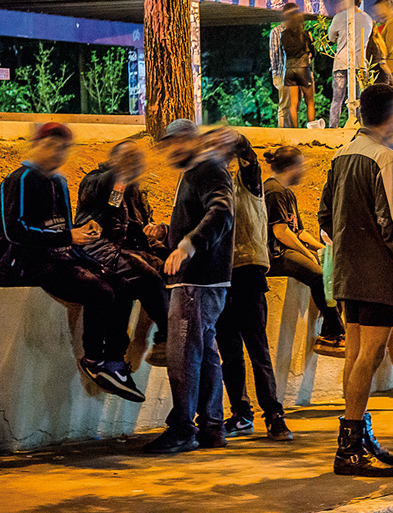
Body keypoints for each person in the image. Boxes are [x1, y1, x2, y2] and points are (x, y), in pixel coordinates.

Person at [0, 123, 144, 401]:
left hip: (80, 248)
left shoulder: (64, 181)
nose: (59, 153)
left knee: (127, 284)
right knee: (107, 288)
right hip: (33, 260)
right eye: (126, 157)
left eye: (63, 147)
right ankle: (101, 358)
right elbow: (16, 230)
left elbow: (109, 217)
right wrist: (79, 232)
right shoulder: (102, 179)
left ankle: (114, 360)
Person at [319, 84, 393, 477]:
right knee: (369, 355)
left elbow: (324, 215)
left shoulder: (341, 155)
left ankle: (355, 437)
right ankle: (349, 448)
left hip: (347, 270)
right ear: (392, 116)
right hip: (378, 273)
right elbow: (391, 220)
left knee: (356, 353)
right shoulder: (385, 159)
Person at [144, 120, 235, 454]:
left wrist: (187, 246)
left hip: (198, 280)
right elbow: (201, 215)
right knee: (203, 354)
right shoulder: (196, 171)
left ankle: (183, 429)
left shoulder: (208, 168)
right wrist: (168, 231)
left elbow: (221, 212)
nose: (168, 152)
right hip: (201, 279)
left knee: (183, 356)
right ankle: (212, 427)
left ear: (186, 140)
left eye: (171, 144)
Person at [216, 134, 292, 443]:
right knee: (230, 352)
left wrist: (234, 141)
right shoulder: (212, 187)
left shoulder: (246, 181)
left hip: (246, 271)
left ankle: (273, 415)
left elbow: (249, 158)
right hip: (220, 275)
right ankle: (240, 413)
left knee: (257, 350)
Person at [76, 141, 169, 369]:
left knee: (166, 271)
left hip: (126, 251)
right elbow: (109, 202)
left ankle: (156, 345)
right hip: (99, 249)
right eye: (131, 160)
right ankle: (166, 339)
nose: (138, 166)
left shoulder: (131, 189)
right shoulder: (96, 180)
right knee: (145, 277)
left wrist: (161, 237)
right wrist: (120, 176)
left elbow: (138, 226)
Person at [265, 146, 345, 357]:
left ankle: (329, 331)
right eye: (301, 166)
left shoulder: (286, 193)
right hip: (274, 254)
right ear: (290, 167)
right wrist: (307, 254)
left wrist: (323, 248)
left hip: (284, 248)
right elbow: (281, 232)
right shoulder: (273, 191)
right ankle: (335, 333)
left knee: (333, 266)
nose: (303, 172)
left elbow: (298, 231)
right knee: (318, 276)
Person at [328, 0, 375, 128]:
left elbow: (331, 37)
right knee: (362, 100)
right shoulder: (368, 19)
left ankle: (333, 129)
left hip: (342, 62)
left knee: (337, 99)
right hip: (361, 64)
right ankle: (362, 128)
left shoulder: (339, 17)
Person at [270, 3, 317, 128]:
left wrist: (275, 73)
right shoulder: (304, 33)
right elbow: (312, 52)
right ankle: (311, 129)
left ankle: (294, 130)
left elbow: (275, 55)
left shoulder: (282, 34)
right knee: (310, 102)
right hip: (302, 69)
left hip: (288, 70)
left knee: (292, 104)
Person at [373, 0, 393, 89]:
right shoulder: (391, 22)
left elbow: (388, 48)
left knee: (390, 99)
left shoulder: (392, 23)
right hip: (392, 67)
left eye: (379, 9)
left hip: (391, 67)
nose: (378, 13)